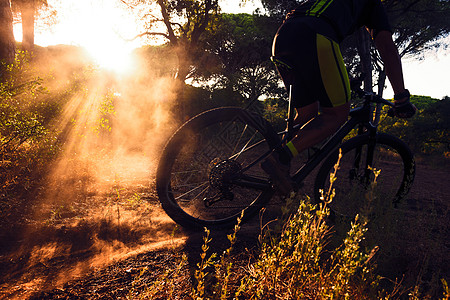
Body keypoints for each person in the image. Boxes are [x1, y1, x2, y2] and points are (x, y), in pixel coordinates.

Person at [261, 0, 416, 195]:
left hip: (283, 36)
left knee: (307, 114)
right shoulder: (373, 4)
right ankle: (280, 157)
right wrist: (401, 97)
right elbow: (386, 47)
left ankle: (278, 172)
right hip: (315, 35)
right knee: (337, 115)